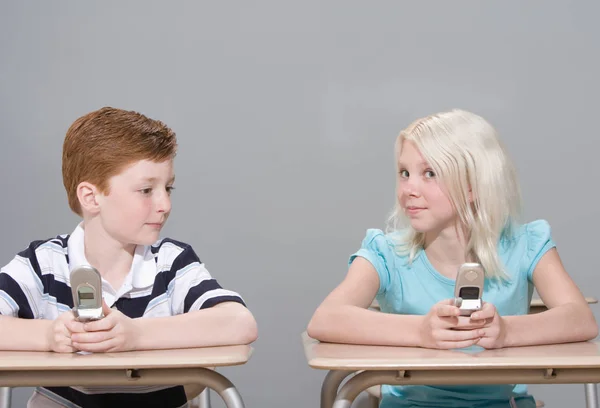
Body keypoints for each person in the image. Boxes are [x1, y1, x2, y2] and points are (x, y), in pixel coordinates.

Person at [307, 108, 597, 408]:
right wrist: (421, 332)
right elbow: (325, 319)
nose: (409, 189)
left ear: (472, 186)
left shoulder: (526, 244)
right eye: (404, 173)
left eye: (429, 173)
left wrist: (507, 331)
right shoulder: (385, 252)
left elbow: (580, 319)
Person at [0, 107, 258, 408]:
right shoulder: (43, 264)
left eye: (168, 188)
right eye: (146, 190)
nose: (164, 204)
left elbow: (240, 323)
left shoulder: (171, 263)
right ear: (91, 197)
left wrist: (136, 334)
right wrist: (48, 335)